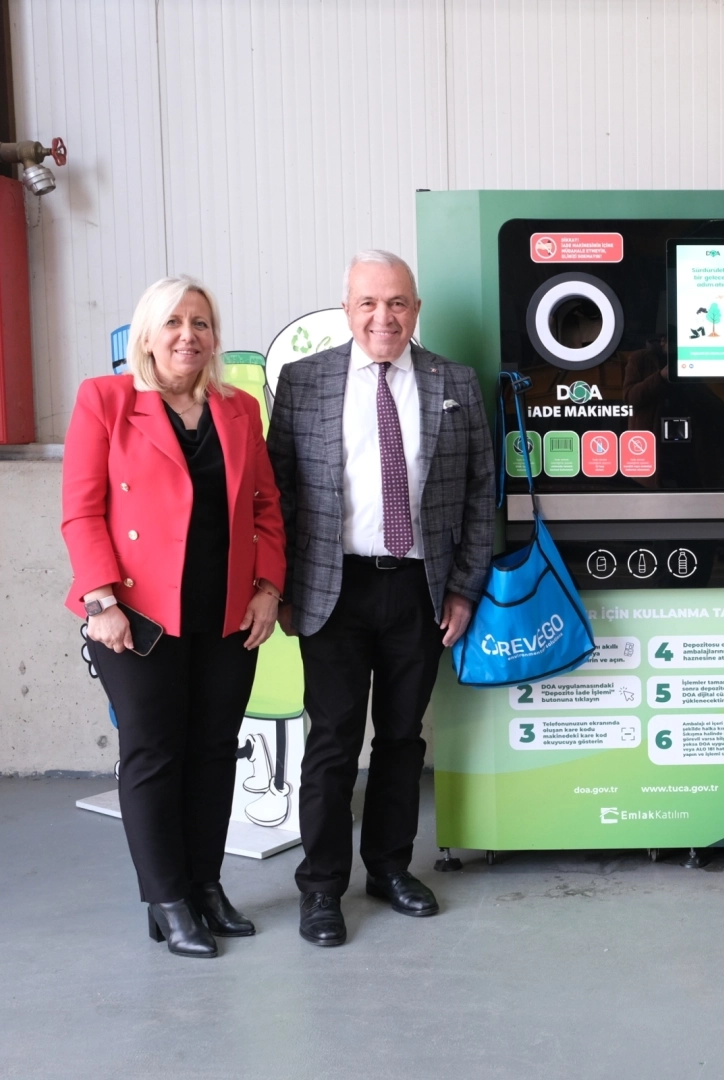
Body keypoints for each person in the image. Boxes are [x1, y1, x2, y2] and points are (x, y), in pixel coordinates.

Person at [268, 250, 497, 947]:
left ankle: (390, 869)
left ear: (415, 310)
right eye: (368, 303)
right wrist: (279, 587)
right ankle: (321, 888)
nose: (383, 317)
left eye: (397, 302)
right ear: (347, 309)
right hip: (331, 589)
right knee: (333, 742)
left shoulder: (455, 381)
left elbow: (481, 493)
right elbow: (277, 494)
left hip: (419, 589)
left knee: (402, 739)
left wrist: (464, 588)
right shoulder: (304, 381)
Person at [62, 276, 286, 958]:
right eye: (174, 322)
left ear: (214, 337)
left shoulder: (239, 409)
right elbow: (82, 511)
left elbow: (266, 508)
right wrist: (101, 600)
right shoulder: (105, 400)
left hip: (226, 611)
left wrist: (268, 587)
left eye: (201, 322)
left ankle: (205, 886)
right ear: (147, 335)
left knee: (215, 751)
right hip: (137, 616)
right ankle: (166, 900)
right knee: (154, 754)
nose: (188, 335)